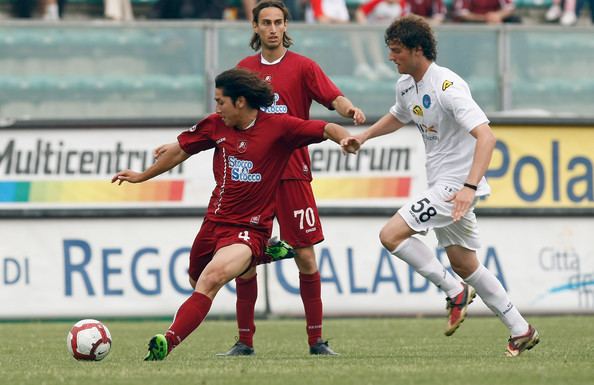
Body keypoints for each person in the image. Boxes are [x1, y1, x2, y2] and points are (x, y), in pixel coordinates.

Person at [112, 68, 359, 361]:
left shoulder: (279, 127)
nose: (216, 108)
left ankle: (167, 341)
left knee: (212, 279)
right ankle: (268, 253)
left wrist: (345, 139)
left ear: (240, 102)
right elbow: (180, 151)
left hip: (250, 229)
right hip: (214, 222)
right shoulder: (216, 125)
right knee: (196, 280)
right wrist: (143, 176)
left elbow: (326, 128)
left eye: (220, 101)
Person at [340, 15, 539, 357]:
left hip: (455, 186)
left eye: (397, 51)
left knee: (390, 235)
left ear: (418, 50)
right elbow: (400, 114)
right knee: (465, 263)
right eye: (390, 50)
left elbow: (486, 137)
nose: (391, 58)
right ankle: (520, 329)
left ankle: (453, 291)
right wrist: (365, 137)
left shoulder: (448, 86)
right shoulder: (405, 85)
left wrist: (469, 187)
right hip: (444, 184)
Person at [225, 0, 365, 356]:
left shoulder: (303, 67)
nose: (272, 28)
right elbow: (229, 116)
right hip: (253, 177)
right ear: (255, 27)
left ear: (287, 26)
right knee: (243, 262)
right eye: (266, 22)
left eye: (278, 22)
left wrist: (349, 110)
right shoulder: (244, 71)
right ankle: (245, 342)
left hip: (291, 174)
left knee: (305, 256)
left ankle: (316, 341)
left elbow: (332, 97)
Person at [353, 0, 404, 80]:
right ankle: (379, 65)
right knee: (370, 35)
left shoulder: (402, 4)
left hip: (390, 34)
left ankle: (400, 68)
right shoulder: (377, 2)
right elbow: (360, 12)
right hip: (372, 33)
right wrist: (365, 26)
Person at [453, 0, 521, 23]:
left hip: (495, 19)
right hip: (475, 21)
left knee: (515, 20)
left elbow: (509, 7)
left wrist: (498, 15)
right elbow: (461, 13)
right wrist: (485, 18)